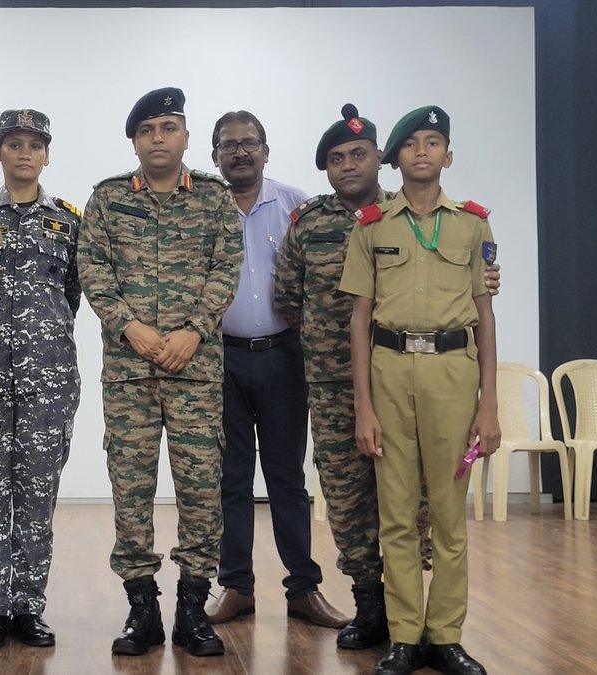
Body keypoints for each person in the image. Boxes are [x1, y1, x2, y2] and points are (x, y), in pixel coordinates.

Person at [275, 104, 501, 652]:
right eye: (337, 158)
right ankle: (377, 611)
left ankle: (430, 628)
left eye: (359, 154)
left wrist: (488, 400)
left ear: (380, 158)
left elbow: (477, 302)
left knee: (428, 507)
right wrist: (345, 381)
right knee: (353, 501)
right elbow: (290, 301)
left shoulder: (450, 220)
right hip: (348, 384)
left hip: (431, 376)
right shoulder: (320, 223)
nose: (349, 164)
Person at [78, 87, 242, 658]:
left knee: (201, 491)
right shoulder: (108, 198)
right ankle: (141, 609)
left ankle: (193, 609)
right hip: (130, 372)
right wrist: (130, 327)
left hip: (196, 369)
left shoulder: (215, 199)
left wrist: (195, 330)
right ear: (134, 141)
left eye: (168, 128)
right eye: (146, 130)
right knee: (131, 490)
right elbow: (93, 268)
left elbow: (227, 267)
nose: (157, 138)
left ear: (186, 137)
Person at [341, 106, 500, 675]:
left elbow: (485, 316)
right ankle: (405, 636)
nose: (423, 151)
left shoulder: (473, 225)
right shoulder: (372, 225)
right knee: (398, 514)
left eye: (434, 142)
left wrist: (489, 404)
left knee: (451, 516)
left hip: (453, 376)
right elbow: (359, 320)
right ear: (395, 159)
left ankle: (446, 637)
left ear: (448, 156)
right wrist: (363, 406)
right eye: (411, 143)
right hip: (389, 371)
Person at [203, 111, 349, 629]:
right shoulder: (203, 208)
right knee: (232, 479)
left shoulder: (296, 206)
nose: (240, 152)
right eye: (229, 145)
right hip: (221, 359)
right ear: (214, 155)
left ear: (266, 151)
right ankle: (236, 587)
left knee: (287, 478)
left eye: (249, 143)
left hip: (285, 356)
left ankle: (303, 589)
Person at [0, 109, 81, 651]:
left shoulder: (68, 222)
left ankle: (29, 607)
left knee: (37, 499)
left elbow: (72, 295)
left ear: (47, 155)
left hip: (47, 381)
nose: (25, 153)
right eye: (14, 143)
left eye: (35, 144)